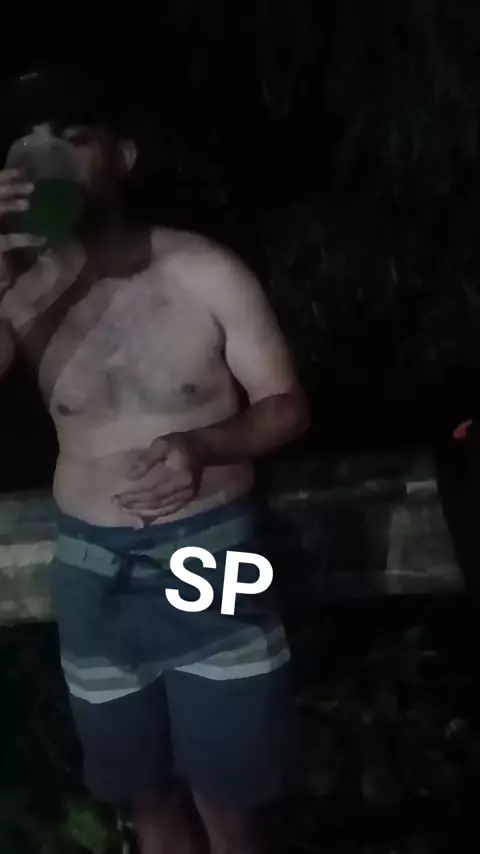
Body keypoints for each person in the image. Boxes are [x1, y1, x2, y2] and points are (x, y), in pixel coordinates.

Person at [0, 67, 310, 854]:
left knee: (235, 806)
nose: (46, 159)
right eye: (27, 145)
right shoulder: (19, 294)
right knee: (148, 798)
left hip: (215, 554)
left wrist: (206, 443)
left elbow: (285, 405)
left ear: (125, 157)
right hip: (89, 569)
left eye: (73, 138)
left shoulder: (202, 268)